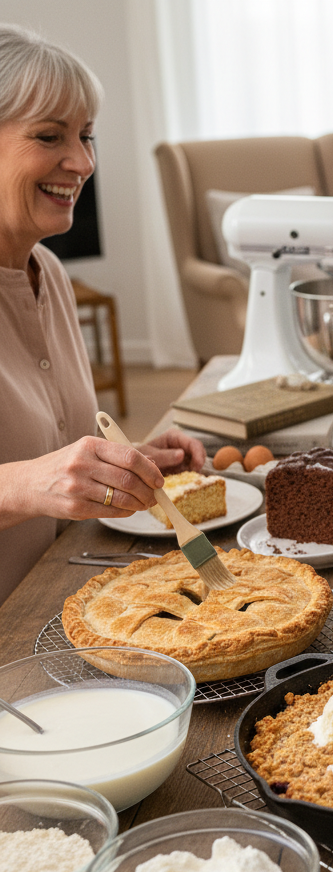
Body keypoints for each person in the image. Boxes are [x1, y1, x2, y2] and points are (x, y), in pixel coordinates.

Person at [0, 24, 205, 606]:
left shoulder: (50, 274)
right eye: (49, 136)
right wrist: (24, 486)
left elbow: (53, 450)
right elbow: (29, 479)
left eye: (87, 136)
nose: (83, 162)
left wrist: (123, 464)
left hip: (60, 603)